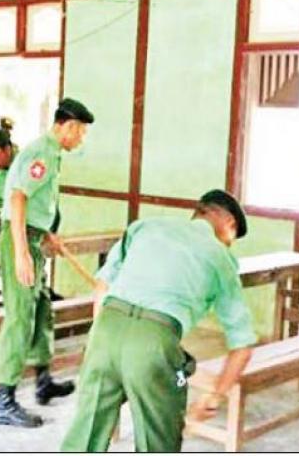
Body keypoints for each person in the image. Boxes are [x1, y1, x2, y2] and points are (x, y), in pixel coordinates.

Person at [61, 190, 256, 452]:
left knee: (86, 433)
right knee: (158, 440)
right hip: (153, 342)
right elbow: (242, 347)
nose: (230, 244)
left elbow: (102, 286)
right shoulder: (221, 257)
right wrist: (214, 397)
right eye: (232, 237)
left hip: (105, 330)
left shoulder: (146, 226)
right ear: (229, 224)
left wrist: (99, 338)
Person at [0, 98, 95, 427]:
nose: (81, 139)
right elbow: (18, 197)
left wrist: (46, 233)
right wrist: (22, 252)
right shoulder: (42, 153)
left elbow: (36, 201)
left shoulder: (52, 153)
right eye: (81, 132)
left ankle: (43, 381)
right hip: (19, 238)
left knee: (41, 308)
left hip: (34, 237)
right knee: (20, 316)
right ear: (68, 126)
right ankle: (3, 401)